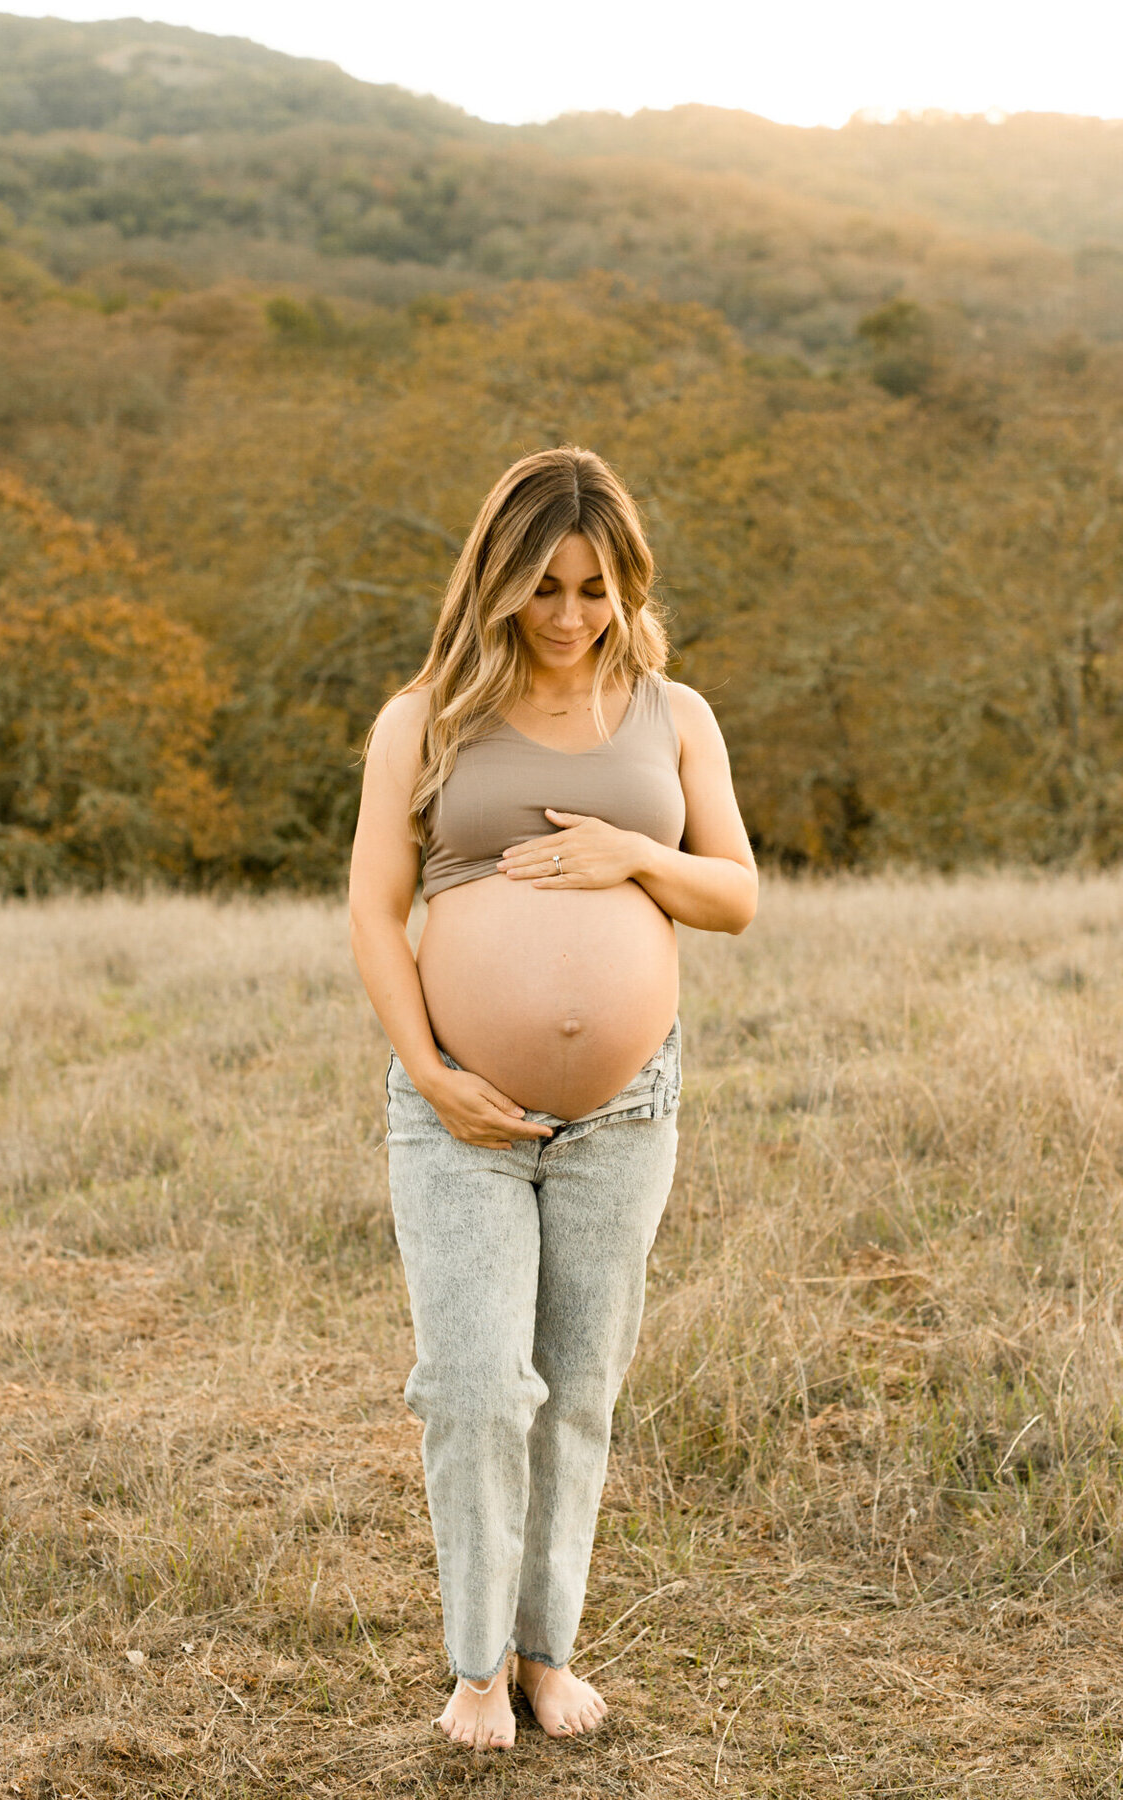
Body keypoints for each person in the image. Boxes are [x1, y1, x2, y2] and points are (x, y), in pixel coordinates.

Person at [348, 445, 757, 1750]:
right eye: (544, 587)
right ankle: (475, 1665)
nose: (571, 614)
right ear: (500, 580)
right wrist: (432, 1071)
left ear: (627, 580)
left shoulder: (674, 714)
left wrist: (638, 853)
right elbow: (373, 905)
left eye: (594, 586)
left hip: (624, 1113)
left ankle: (545, 1653)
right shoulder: (426, 715)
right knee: (473, 1380)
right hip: (456, 1110)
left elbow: (736, 893)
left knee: (578, 1385)